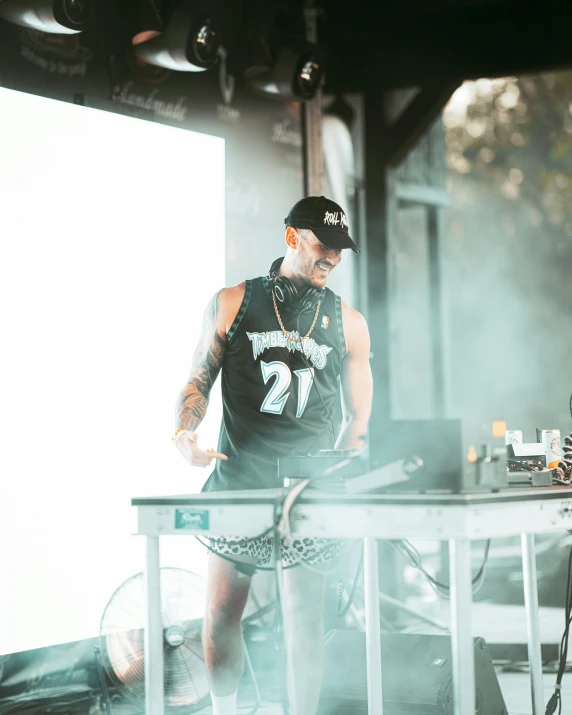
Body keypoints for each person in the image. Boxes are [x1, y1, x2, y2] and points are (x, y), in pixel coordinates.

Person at [173, 196, 373, 715]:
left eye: (339, 250)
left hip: (307, 496)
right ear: (292, 238)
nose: (332, 256)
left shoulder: (349, 323)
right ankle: (225, 711)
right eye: (322, 245)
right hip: (240, 482)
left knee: (305, 620)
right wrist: (184, 432)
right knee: (220, 613)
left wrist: (342, 476)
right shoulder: (234, 302)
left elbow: (361, 419)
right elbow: (198, 379)